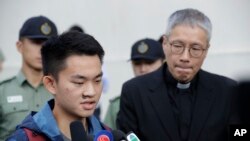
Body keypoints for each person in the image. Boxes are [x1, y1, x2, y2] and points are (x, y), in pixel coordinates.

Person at [117, 8, 239, 141]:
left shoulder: (228, 91)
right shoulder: (135, 92)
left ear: (206, 50)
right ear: (164, 43)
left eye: (195, 49)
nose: (185, 57)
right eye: (177, 46)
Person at [7, 31, 110, 140]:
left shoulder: (107, 135)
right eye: (79, 82)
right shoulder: (26, 137)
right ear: (51, 84)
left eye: (97, 80)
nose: (91, 92)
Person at [0, 16, 58, 140]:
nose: (42, 49)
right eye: (36, 42)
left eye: (48, 44)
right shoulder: (2, 92)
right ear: (19, 46)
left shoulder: (62, 90)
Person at [104, 38, 165, 129]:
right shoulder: (117, 105)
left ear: (163, 62)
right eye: (137, 63)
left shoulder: (173, 97)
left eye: (149, 62)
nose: (143, 69)